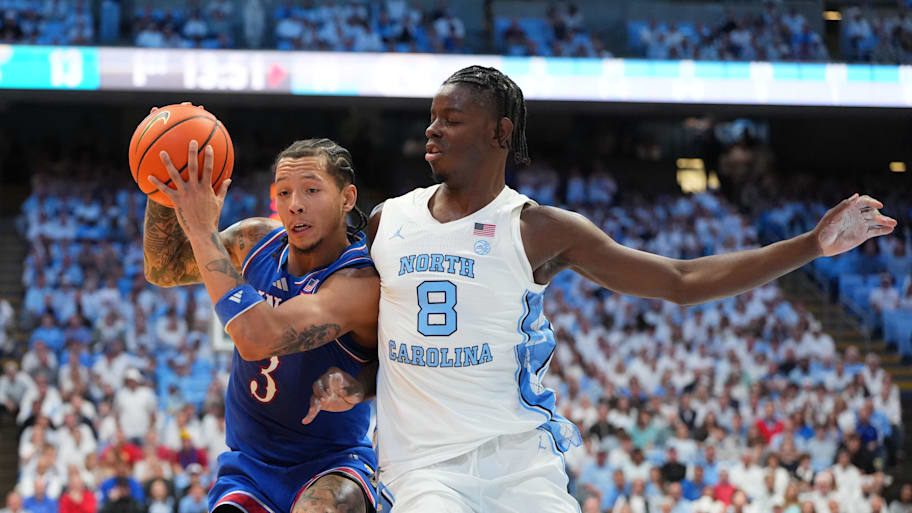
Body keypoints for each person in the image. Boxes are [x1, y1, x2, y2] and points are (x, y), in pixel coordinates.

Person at [306, 65, 897, 512]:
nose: (432, 131)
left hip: (523, 464)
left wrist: (811, 245)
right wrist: (353, 382)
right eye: (431, 118)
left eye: (452, 120)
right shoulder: (389, 221)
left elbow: (681, 280)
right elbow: (372, 337)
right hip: (423, 468)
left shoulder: (539, 229)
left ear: (499, 132)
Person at [143, 134, 380, 513]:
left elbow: (257, 338)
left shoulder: (359, 282)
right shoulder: (255, 240)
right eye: (283, 193)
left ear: (347, 199)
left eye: (311, 190)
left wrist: (203, 231)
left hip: (331, 465)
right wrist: (161, 176)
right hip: (249, 468)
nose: (295, 205)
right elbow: (163, 267)